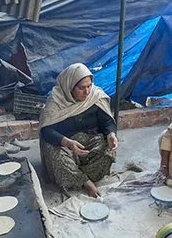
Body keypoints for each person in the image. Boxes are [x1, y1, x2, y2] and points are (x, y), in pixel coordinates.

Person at [39, 63, 118, 198]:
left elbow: (107, 122)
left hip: (91, 140)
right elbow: (47, 131)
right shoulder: (56, 101)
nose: (87, 92)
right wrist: (69, 143)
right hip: (65, 144)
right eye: (81, 88)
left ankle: (75, 174)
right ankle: (86, 182)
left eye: (89, 86)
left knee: (108, 150)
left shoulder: (96, 96)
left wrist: (111, 134)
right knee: (52, 152)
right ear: (70, 86)